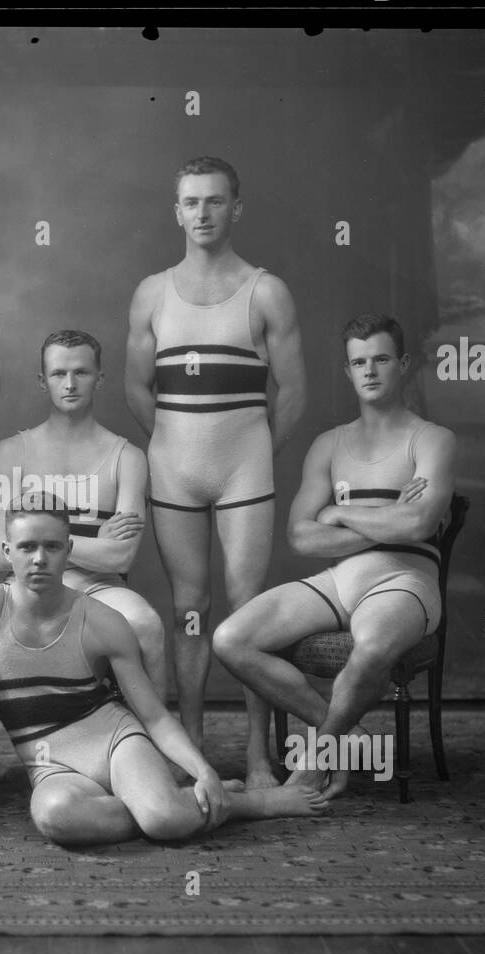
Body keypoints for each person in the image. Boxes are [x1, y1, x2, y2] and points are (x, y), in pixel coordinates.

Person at [0, 504, 328, 844]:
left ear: (69, 550)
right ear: (5, 552)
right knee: (54, 817)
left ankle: (239, 802)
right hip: (51, 764)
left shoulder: (101, 620)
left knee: (164, 823)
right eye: (26, 547)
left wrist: (200, 768)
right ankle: (178, 802)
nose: (39, 559)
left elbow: (152, 716)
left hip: (114, 741)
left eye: (52, 546)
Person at [212, 314, 457, 797]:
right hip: (337, 581)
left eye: (381, 359)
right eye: (359, 362)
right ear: (348, 372)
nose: (370, 371)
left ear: (403, 364)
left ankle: (314, 762)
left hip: (404, 581)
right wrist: (385, 513)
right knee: (230, 638)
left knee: (370, 650)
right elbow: (301, 538)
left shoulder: (431, 439)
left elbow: (420, 524)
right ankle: (350, 739)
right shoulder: (329, 444)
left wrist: (341, 513)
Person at [125, 155, 308, 789]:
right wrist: (177, 446)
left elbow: (292, 393)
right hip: (174, 473)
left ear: (236, 208)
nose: (202, 213)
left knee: (248, 616)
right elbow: (136, 387)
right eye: (191, 202)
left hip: (244, 477)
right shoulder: (152, 292)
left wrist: (251, 451)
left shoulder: (266, 290)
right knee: (189, 612)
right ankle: (193, 753)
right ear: (176, 211)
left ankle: (259, 758)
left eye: (214, 201)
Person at [0, 328, 166, 698]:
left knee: (146, 623)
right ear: (42, 381)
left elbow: (121, 555)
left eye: (81, 373)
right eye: (58, 374)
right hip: (25, 588)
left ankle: (156, 745)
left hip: (101, 588)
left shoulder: (128, 458)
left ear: (99, 379)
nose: (70, 383)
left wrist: (36, 541)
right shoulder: (10, 453)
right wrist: (89, 544)